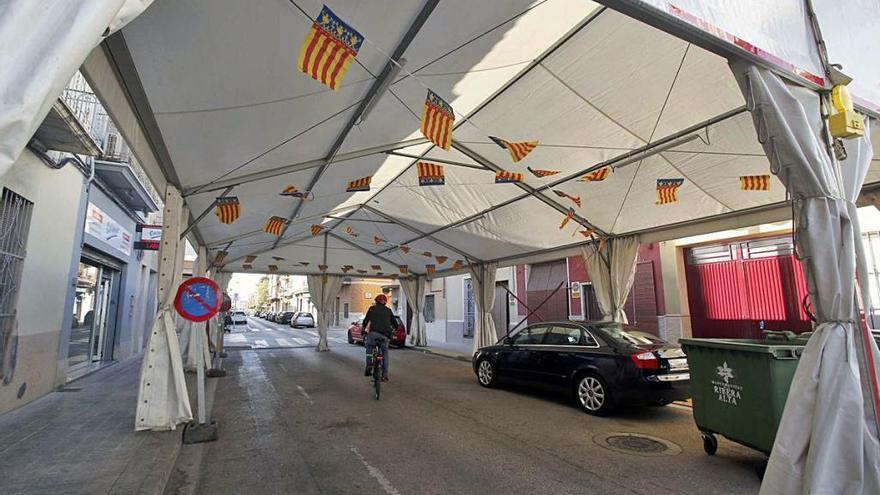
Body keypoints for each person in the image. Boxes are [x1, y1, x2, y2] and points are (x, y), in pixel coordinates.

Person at [362, 293, 395, 381]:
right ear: (385, 302)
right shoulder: (388, 310)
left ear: (376, 301)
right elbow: (395, 323)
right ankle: (385, 375)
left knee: (369, 346)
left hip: (373, 334)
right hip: (385, 336)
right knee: (385, 353)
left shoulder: (372, 309)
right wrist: (393, 329)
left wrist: (364, 328)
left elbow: (365, 321)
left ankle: (369, 364)